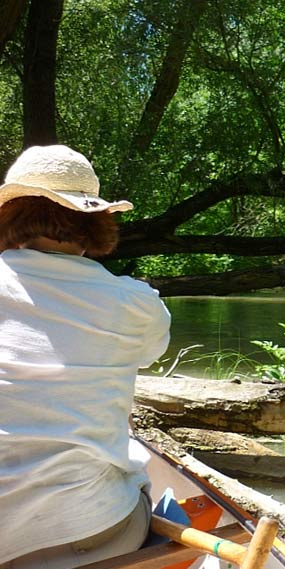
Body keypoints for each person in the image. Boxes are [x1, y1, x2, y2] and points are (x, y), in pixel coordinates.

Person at [0, 145, 171, 568]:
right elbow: (150, 354)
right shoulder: (137, 303)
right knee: (155, 494)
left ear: (11, 216)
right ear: (96, 220)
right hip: (95, 533)